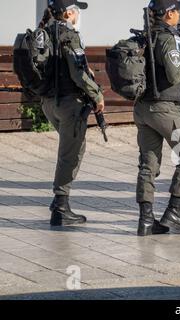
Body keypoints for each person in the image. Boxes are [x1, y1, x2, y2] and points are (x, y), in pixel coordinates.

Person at [134, 0, 180, 235]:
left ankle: (145, 220)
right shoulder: (167, 38)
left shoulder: (146, 35)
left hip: (143, 108)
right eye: (177, 11)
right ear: (169, 13)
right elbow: (174, 74)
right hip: (164, 108)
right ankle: (174, 210)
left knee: (148, 164)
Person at [40, 0, 106, 227]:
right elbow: (78, 74)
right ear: (68, 13)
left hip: (49, 103)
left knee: (73, 148)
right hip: (69, 104)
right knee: (71, 153)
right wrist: (97, 95)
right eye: (76, 11)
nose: (78, 15)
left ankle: (58, 200)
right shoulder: (70, 35)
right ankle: (60, 206)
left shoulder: (45, 32)